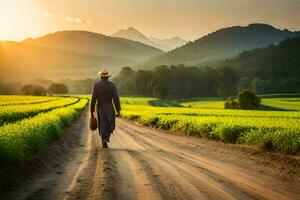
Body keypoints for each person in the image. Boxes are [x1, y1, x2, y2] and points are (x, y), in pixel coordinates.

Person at [91, 69, 121, 148]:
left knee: (102, 124)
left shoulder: (96, 85)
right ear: (108, 77)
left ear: (101, 77)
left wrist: (92, 111)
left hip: (100, 107)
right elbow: (116, 98)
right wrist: (118, 110)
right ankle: (106, 138)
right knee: (110, 123)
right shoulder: (112, 85)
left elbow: (93, 99)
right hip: (109, 107)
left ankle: (103, 139)